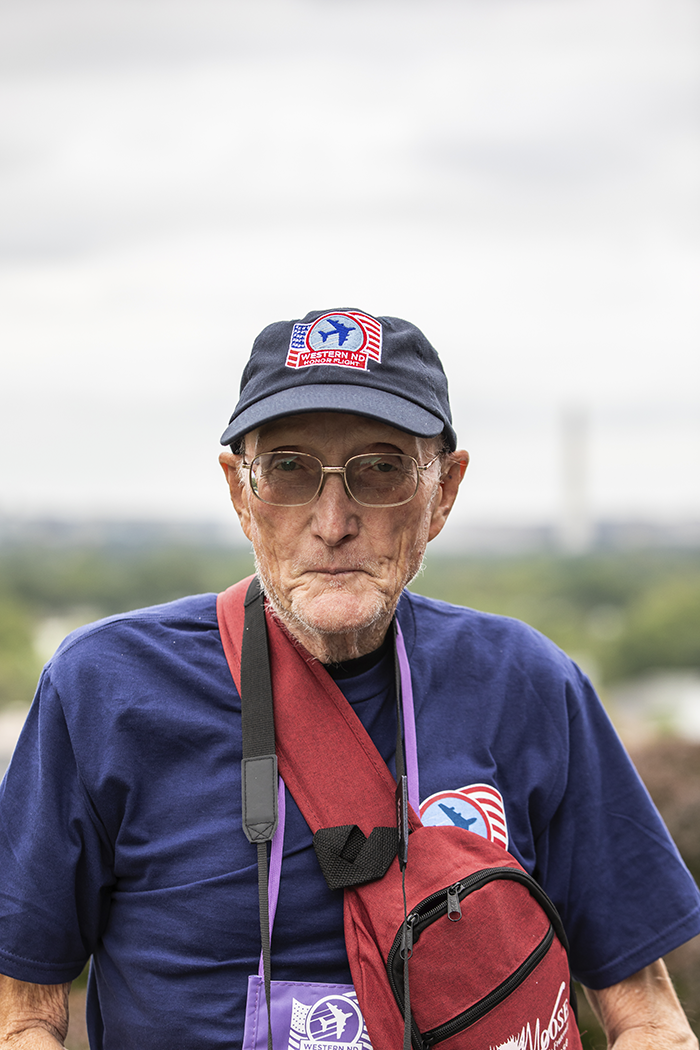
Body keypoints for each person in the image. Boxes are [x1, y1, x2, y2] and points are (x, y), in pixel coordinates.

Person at [0, 308, 699, 1050]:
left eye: (381, 470)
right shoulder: (105, 690)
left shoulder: (527, 686)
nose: (333, 522)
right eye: (290, 470)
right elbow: (22, 1018)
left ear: (444, 492)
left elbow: (649, 1017)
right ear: (240, 493)